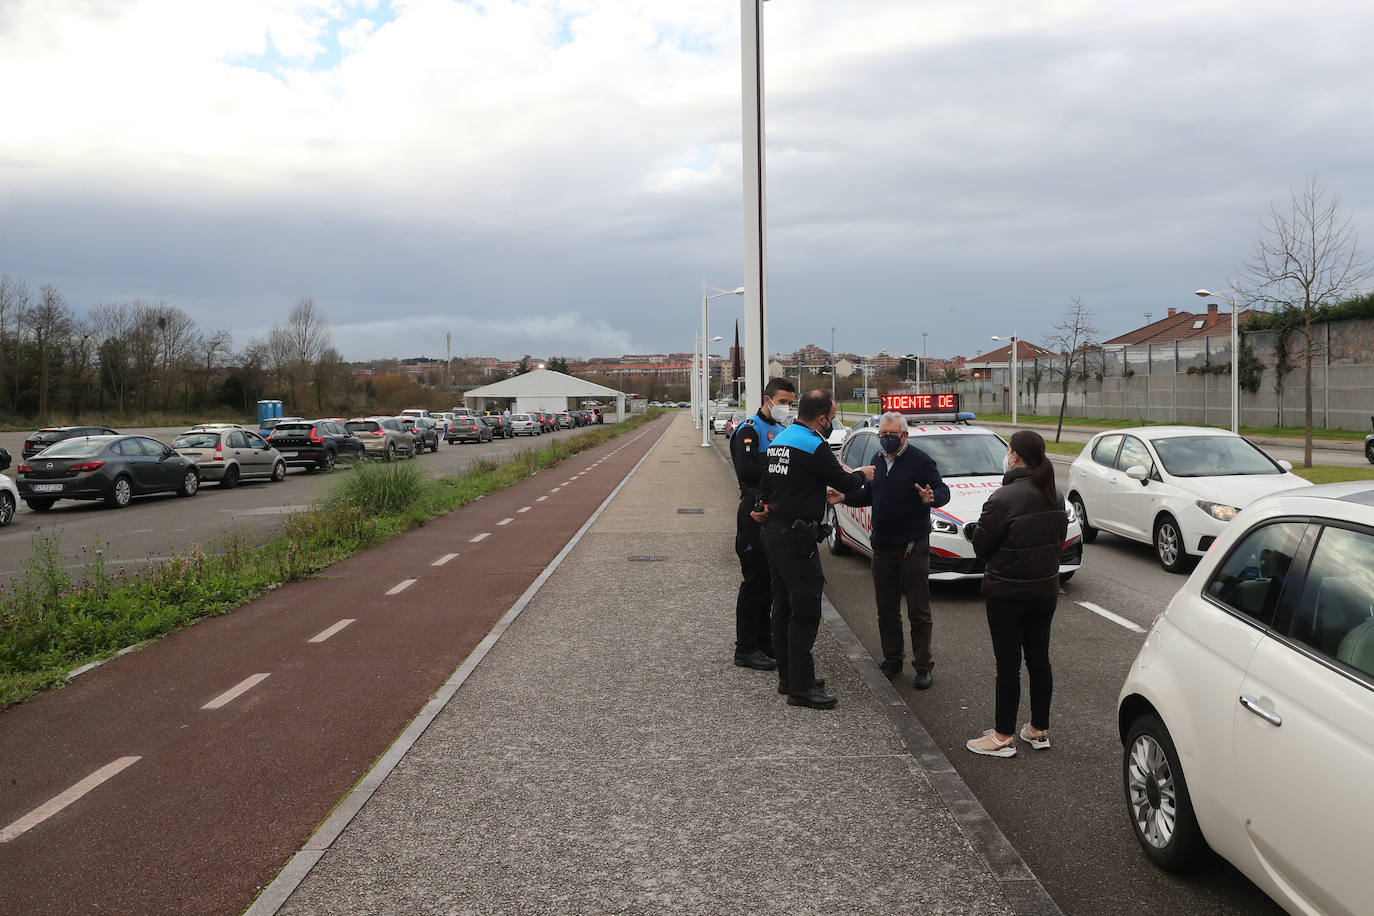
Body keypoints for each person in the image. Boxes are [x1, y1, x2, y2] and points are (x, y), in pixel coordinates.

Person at [752, 390, 874, 709]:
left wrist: (762, 506)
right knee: (805, 611)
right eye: (832, 417)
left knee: (782, 606)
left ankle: (789, 678)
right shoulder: (813, 444)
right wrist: (864, 474)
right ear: (821, 418)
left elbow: (766, 483)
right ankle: (802, 689)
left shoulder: (782, 439)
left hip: (775, 532)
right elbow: (845, 483)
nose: (832, 423)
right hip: (796, 537)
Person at [965, 430, 1068, 757]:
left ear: (1016, 457)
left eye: (1008, 449)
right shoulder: (1056, 494)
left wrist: (973, 532)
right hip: (1045, 591)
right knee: (1039, 660)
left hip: (1007, 593)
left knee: (1007, 665)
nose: (1006, 454)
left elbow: (982, 547)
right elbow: (1056, 541)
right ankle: (1039, 730)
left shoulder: (1003, 497)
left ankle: (1003, 736)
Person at [828, 412, 949, 688]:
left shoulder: (920, 461)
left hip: (912, 548)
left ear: (904, 436)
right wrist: (843, 497)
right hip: (882, 547)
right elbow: (871, 495)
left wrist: (931, 498)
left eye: (891, 435)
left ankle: (922, 666)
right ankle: (892, 659)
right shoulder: (877, 461)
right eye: (882, 435)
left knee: (918, 611)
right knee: (886, 610)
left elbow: (942, 491)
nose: (886, 440)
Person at [728, 377, 797, 670]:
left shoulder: (781, 430)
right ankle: (745, 648)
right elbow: (748, 472)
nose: (786, 407)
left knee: (770, 583)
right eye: (782, 402)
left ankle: (765, 640)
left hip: (773, 512)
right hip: (753, 512)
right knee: (754, 582)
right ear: (767, 400)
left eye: (791, 403)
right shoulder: (750, 430)